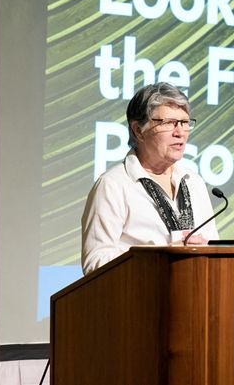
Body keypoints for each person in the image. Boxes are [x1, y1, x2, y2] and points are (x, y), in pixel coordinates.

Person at [81, 82, 220, 275]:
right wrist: (159, 258)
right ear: (139, 130)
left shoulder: (193, 182)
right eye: (169, 123)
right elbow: (95, 263)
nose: (180, 132)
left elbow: (214, 247)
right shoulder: (114, 185)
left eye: (185, 122)